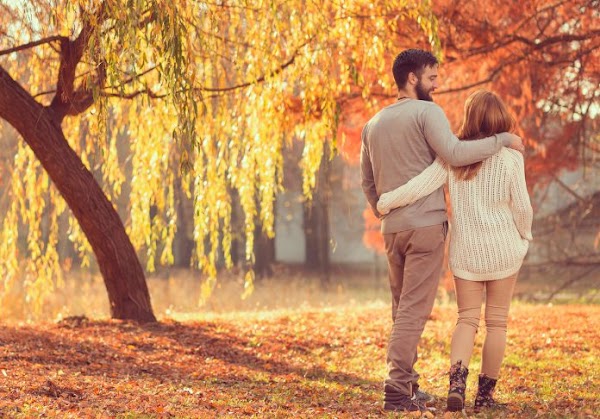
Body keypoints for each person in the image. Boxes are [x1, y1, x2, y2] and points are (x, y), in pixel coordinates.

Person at [360, 49, 524, 414]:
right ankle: (398, 390)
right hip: (426, 227)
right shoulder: (427, 112)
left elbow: (368, 183)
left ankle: (409, 384)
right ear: (413, 78)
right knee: (413, 312)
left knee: (401, 308)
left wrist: (383, 209)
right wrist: (501, 140)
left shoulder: (372, 124)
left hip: (392, 230)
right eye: (432, 78)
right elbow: (452, 152)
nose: (437, 85)